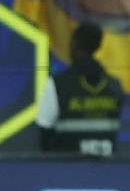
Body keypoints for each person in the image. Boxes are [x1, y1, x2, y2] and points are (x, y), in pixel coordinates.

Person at [36, 23, 124, 156]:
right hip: (106, 171)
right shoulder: (115, 86)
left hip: (67, 171)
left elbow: (44, 132)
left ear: (75, 44)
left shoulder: (57, 84)